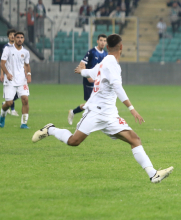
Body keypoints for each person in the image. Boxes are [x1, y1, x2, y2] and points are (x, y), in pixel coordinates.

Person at [32, 34, 173, 184]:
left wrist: (82, 71)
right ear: (121, 47)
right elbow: (117, 87)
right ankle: (50, 129)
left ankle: (153, 174)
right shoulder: (112, 64)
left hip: (110, 114)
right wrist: (132, 109)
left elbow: (91, 72)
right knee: (74, 141)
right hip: (96, 111)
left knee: (135, 139)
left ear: (107, 47)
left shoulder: (105, 60)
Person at [68, 35, 108, 125]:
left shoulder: (106, 54)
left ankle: (73, 112)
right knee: (91, 104)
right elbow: (82, 64)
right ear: (97, 41)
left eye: (104, 41)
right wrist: (88, 76)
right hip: (89, 82)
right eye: (101, 40)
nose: (103, 42)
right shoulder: (91, 52)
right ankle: (87, 122)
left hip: (99, 82)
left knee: (93, 104)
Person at [0, 32, 31, 129]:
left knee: (25, 99)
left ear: (24, 39)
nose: (19, 39)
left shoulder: (26, 52)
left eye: (21, 37)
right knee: (9, 103)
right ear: (14, 39)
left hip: (22, 80)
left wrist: (29, 74)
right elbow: (2, 63)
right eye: (18, 37)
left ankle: (24, 123)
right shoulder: (7, 49)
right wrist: (7, 73)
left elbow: (27, 65)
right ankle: (2, 115)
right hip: (10, 80)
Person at [0, 29, 20, 117]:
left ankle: (6, 103)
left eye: (14, 35)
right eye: (11, 35)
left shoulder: (18, 47)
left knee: (20, 93)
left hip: (18, 74)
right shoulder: (6, 47)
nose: (12, 36)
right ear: (8, 37)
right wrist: (2, 73)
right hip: (9, 75)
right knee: (12, 93)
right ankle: (12, 110)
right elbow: (2, 62)